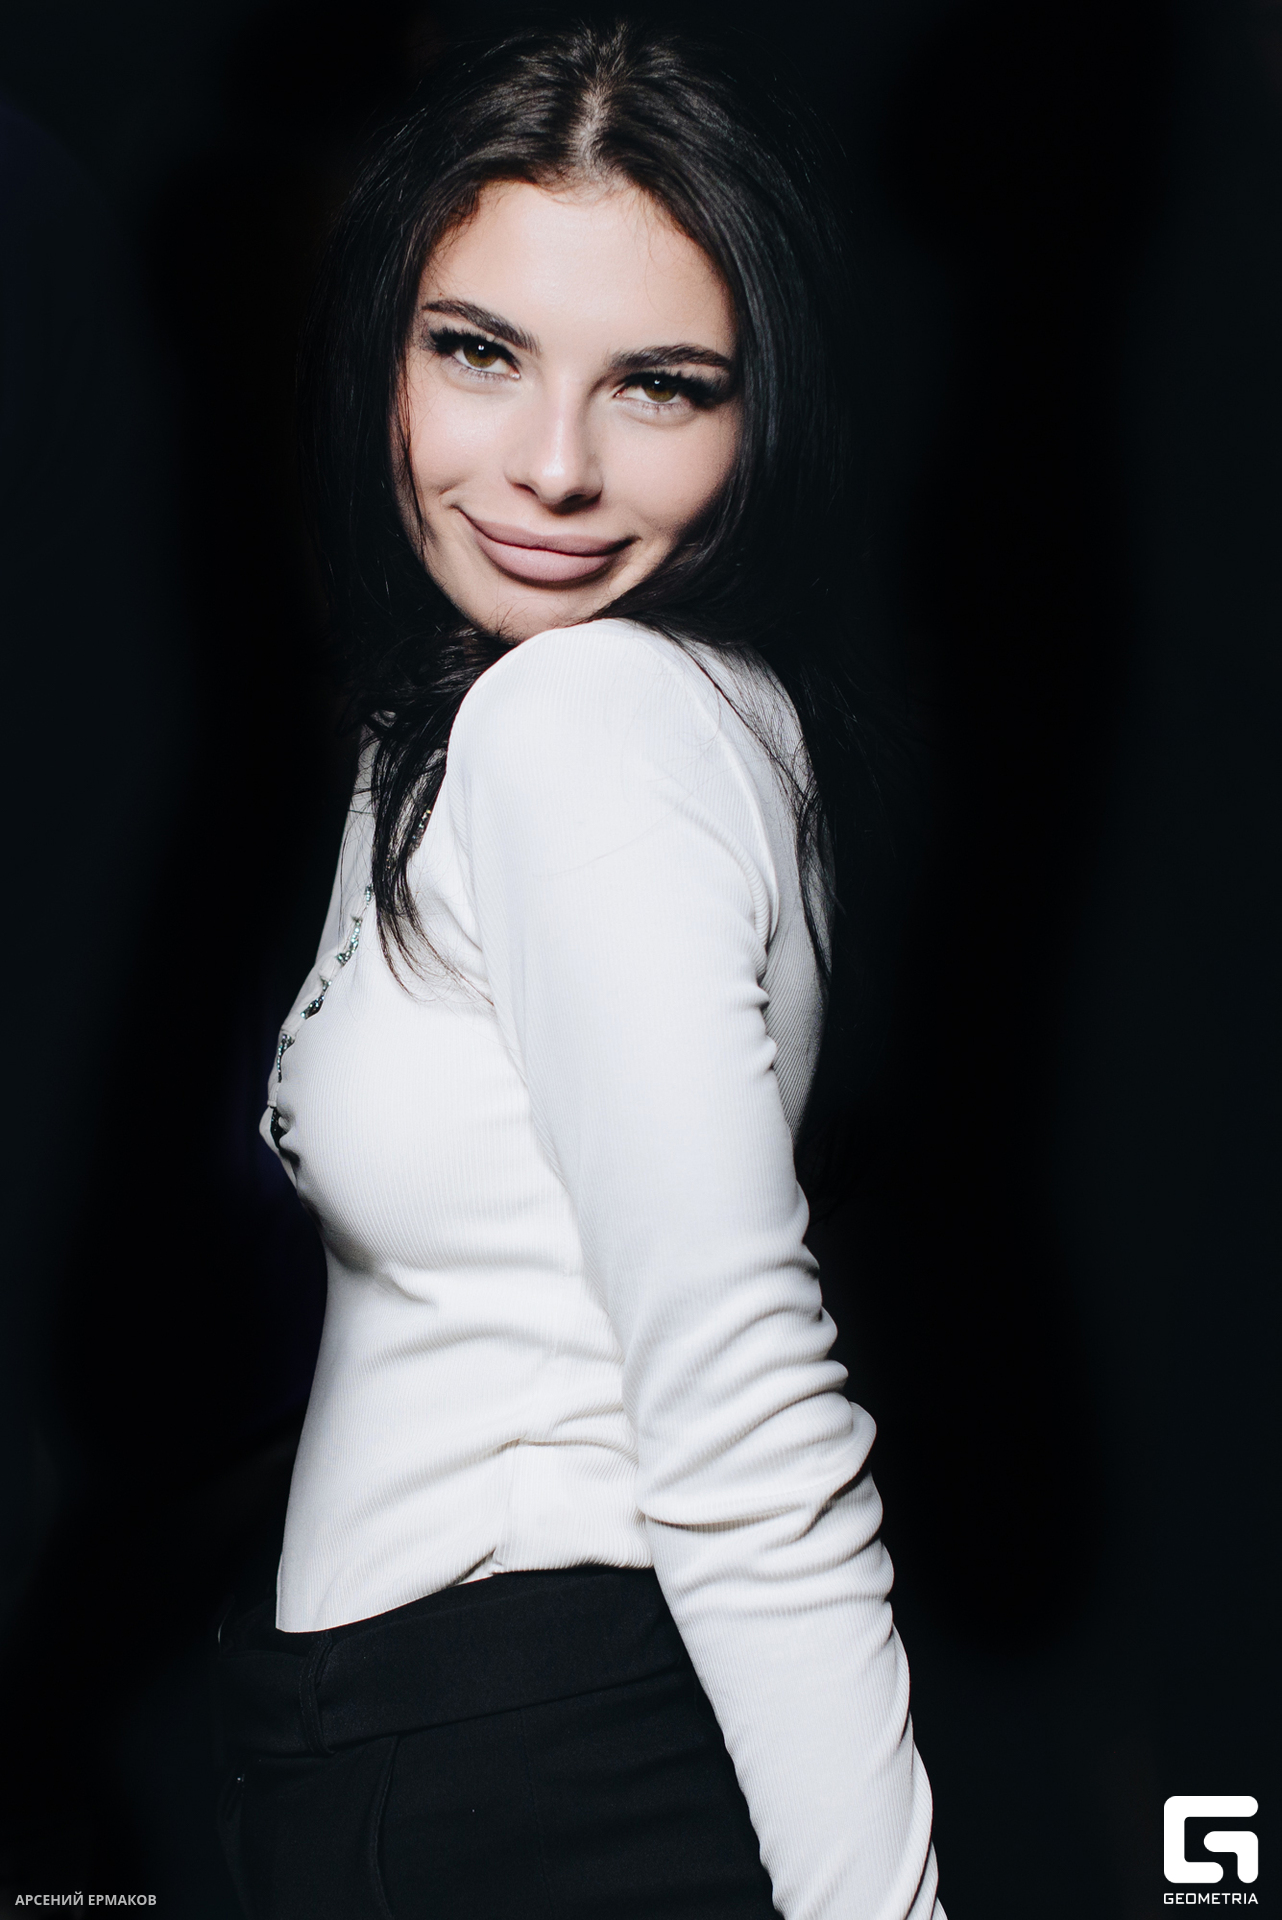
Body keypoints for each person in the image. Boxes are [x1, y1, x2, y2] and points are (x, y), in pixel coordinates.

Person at [215, 21, 945, 1920]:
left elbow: (747, 1405)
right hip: (453, 1758)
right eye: (478, 352)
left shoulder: (589, 720)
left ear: (765, 410)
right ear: (385, 346)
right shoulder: (540, 712)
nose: (550, 469)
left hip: (535, 1767)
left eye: (659, 386)